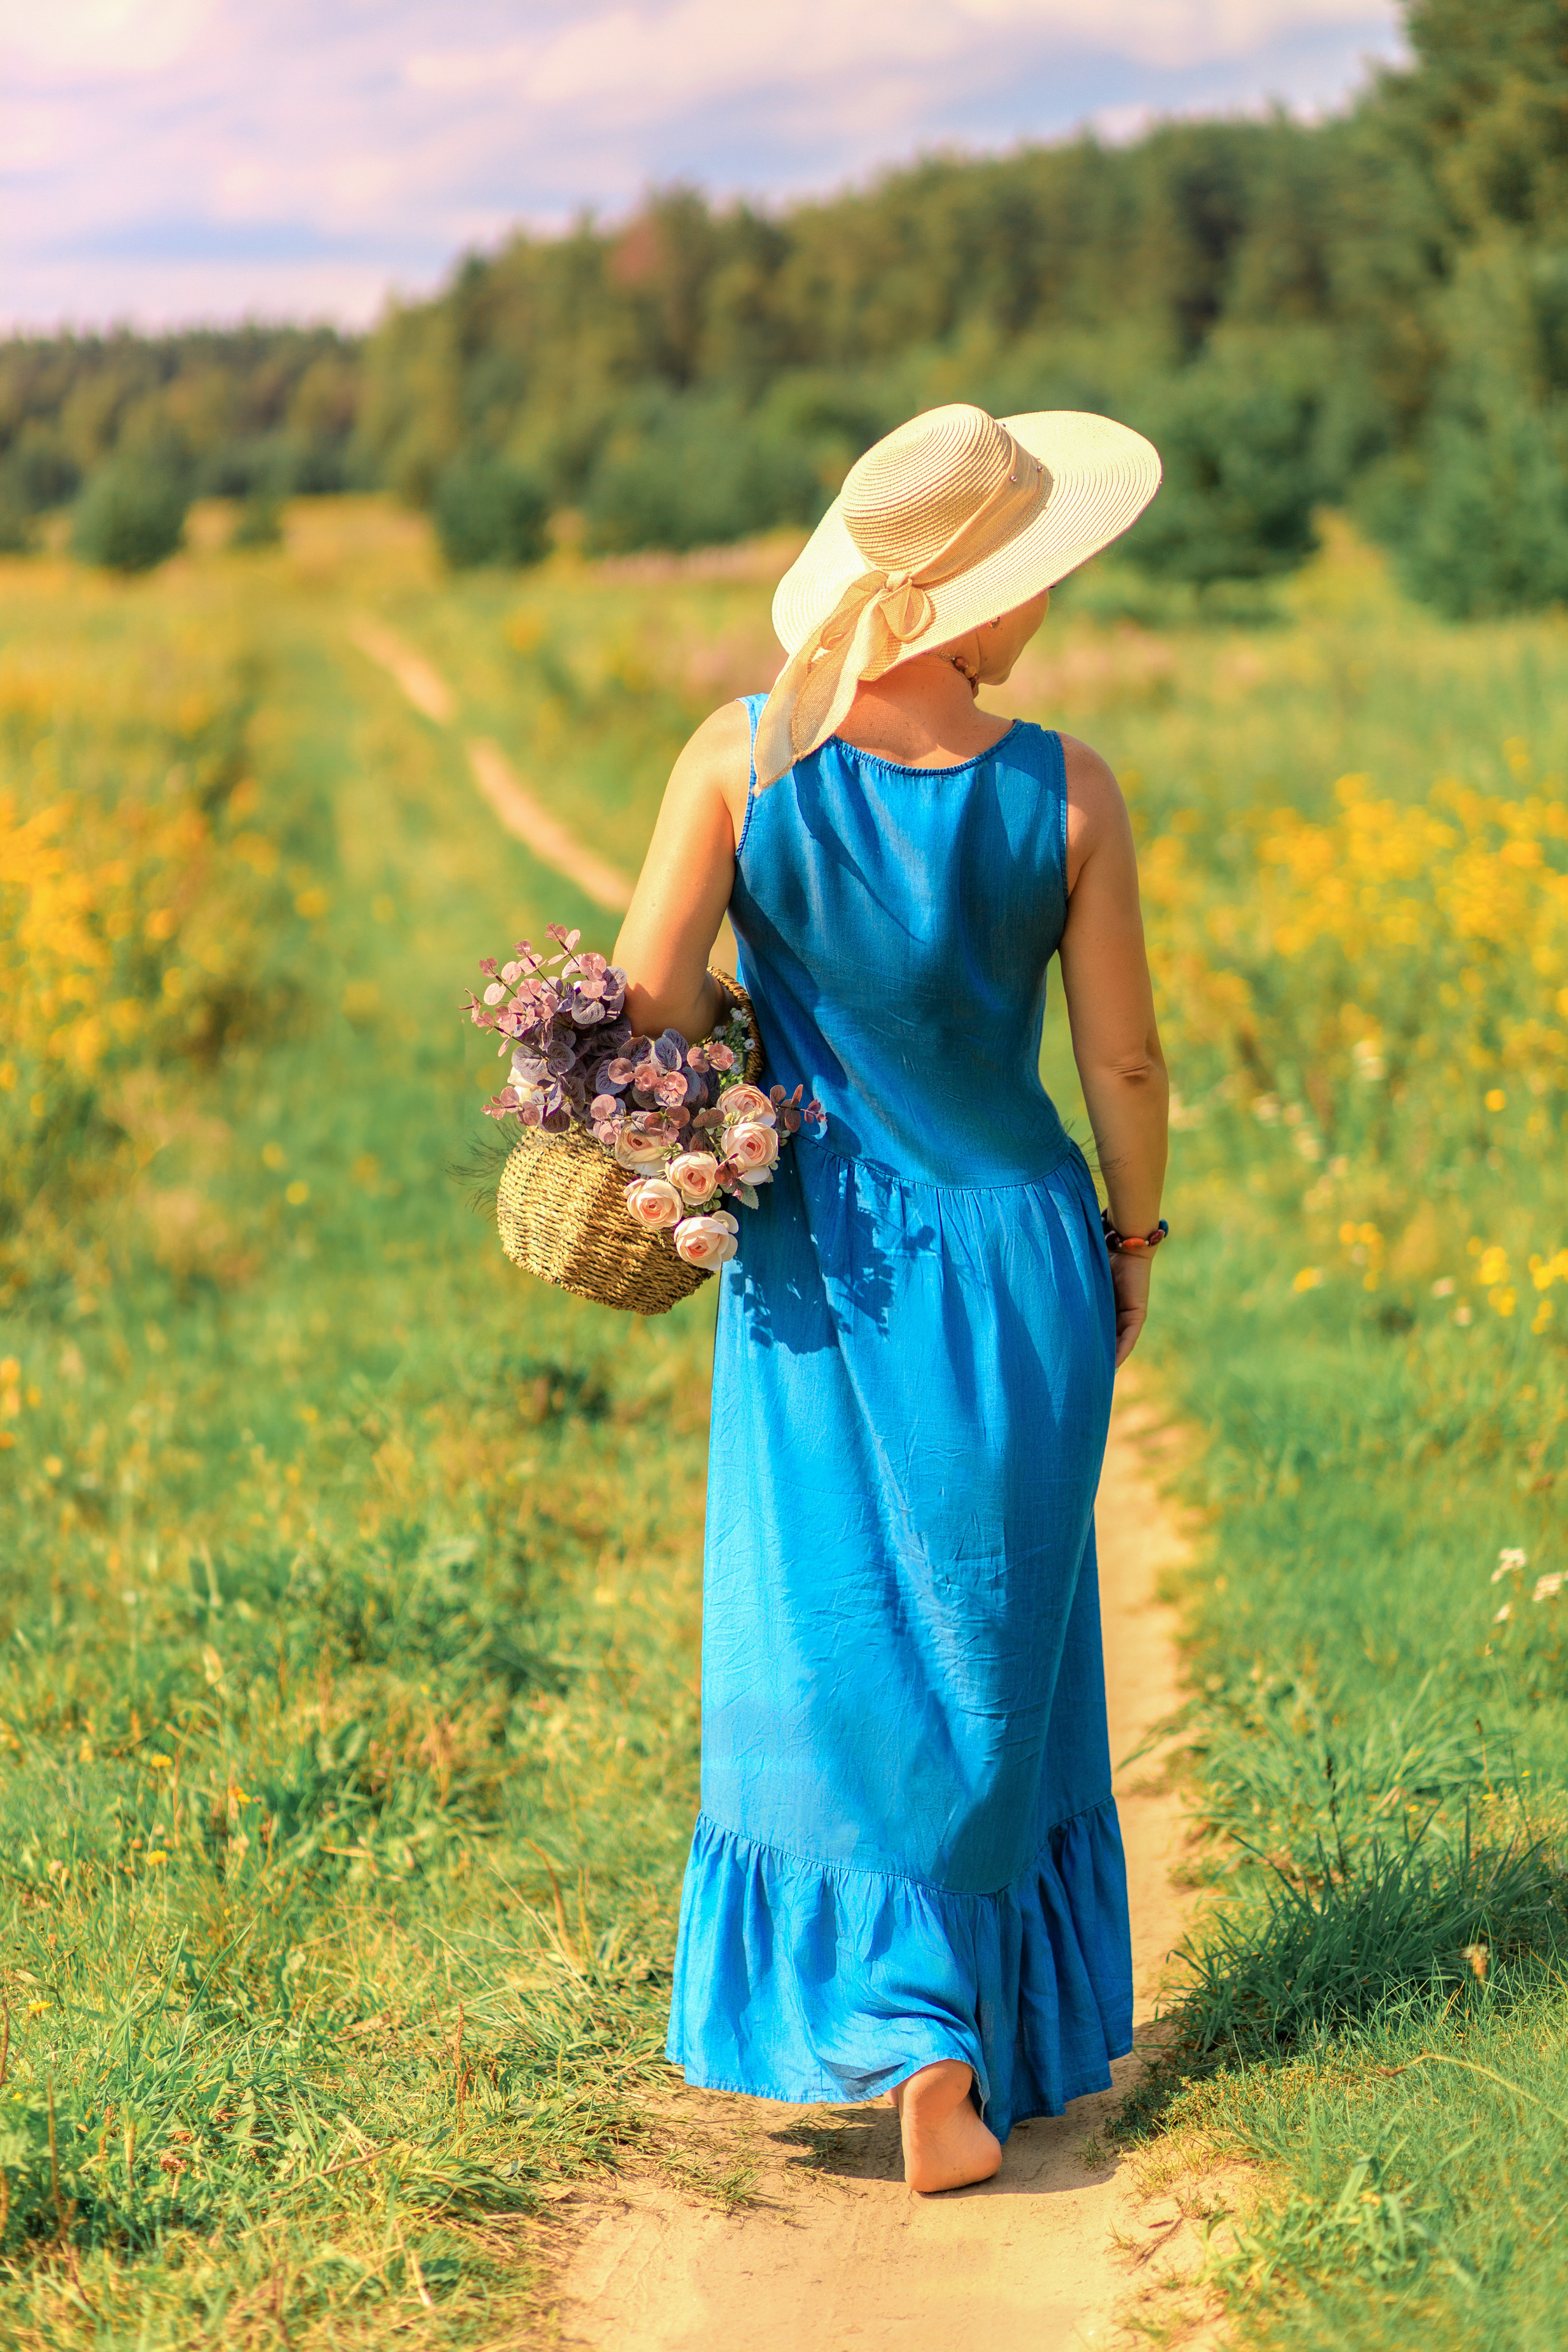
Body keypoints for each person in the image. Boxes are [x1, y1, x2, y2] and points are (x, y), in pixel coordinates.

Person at [612, 402, 1169, 2194]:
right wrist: (1134, 1243)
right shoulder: (1068, 789)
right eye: (1040, 577)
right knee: (1003, 1632)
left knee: (831, 1623)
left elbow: (645, 996)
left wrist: (759, 1041)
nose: (1049, 610)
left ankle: (902, 2022)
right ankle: (978, 2020)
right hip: (1017, 1254)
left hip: (813, 1257)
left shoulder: (739, 758)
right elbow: (1125, 1063)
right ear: (980, 595)